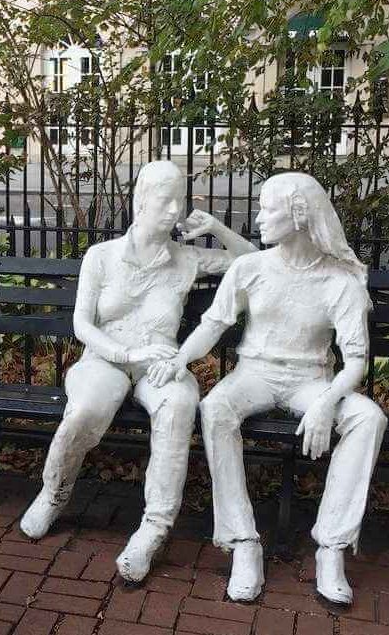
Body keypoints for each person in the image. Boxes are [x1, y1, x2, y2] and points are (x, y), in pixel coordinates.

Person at [147, 172, 386, 604]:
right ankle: (242, 542)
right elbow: (212, 326)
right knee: (215, 407)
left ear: (298, 216)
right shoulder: (251, 268)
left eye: (266, 209)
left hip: (311, 381)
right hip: (253, 374)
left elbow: (355, 363)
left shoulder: (340, 282)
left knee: (368, 417)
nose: (257, 218)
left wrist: (327, 403)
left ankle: (331, 546)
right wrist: (179, 360)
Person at [20, 161, 256, 584]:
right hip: (105, 359)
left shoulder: (187, 259)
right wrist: (126, 349)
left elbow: (255, 264)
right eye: (165, 199)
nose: (174, 209)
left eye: (179, 200)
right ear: (141, 201)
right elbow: (82, 325)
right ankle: (53, 493)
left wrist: (218, 229)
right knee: (87, 408)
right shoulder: (103, 256)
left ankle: (153, 529)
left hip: (160, 365)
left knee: (181, 403)